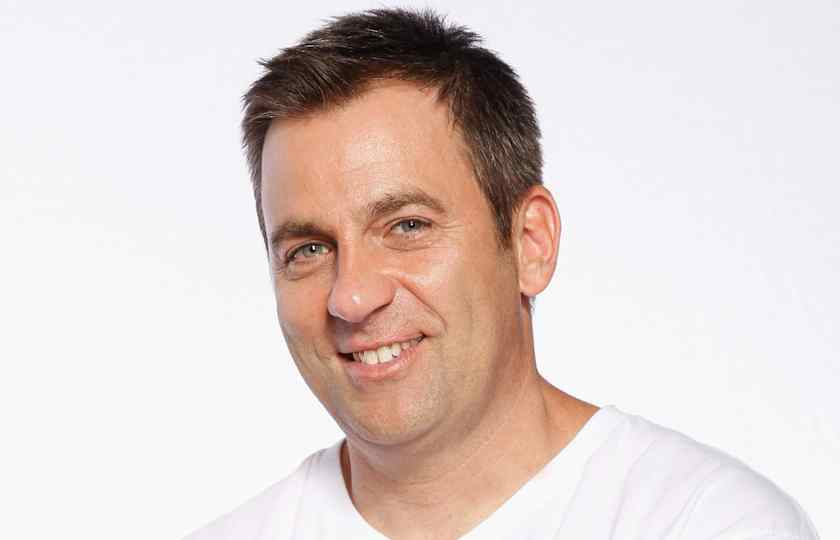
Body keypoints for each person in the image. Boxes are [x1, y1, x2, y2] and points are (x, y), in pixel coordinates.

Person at [188, 8, 818, 539]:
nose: (352, 296)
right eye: (308, 250)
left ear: (530, 243)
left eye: (407, 226)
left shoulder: (706, 523)